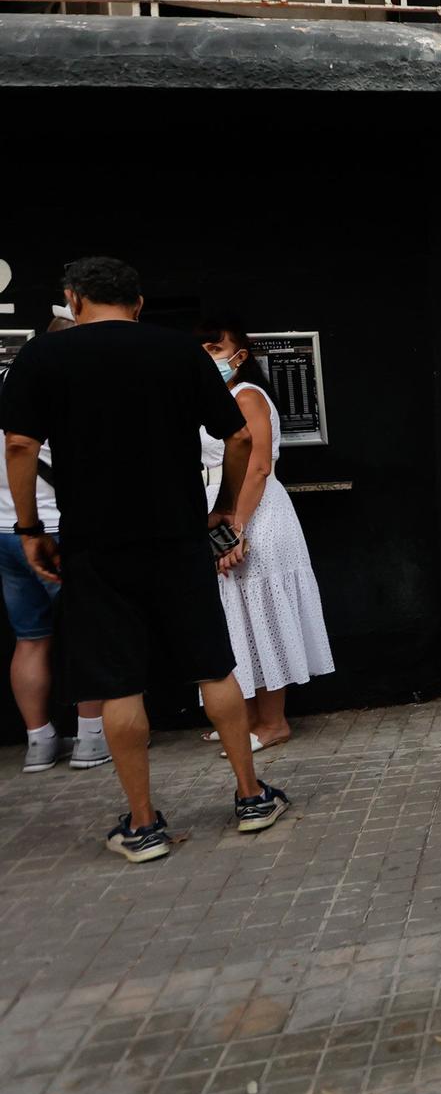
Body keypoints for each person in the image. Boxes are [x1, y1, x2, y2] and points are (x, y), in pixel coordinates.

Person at [0, 257, 287, 864]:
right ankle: (251, 795)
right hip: (178, 535)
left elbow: (21, 443)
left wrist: (29, 527)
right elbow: (238, 437)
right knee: (213, 666)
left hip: (95, 542)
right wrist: (225, 509)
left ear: (73, 299)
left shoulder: (41, 358)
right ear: (137, 303)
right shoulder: (179, 353)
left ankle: (143, 823)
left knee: (117, 681)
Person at [194, 319, 337, 751]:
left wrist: (235, 529)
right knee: (237, 619)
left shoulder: (248, 395)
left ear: (241, 356)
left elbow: (256, 467)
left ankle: (272, 722)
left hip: (255, 513)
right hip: (226, 512)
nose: (208, 356)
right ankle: (245, 717)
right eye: (202, 348)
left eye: (216, 348)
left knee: (263, 615)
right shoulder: (211, 400)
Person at [1, 315, 107, 774]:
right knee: (91, 633)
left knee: (30, 639)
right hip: (58, 529)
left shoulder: (10, 384)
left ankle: (39, 742)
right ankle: (91, 738)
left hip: (5, 531)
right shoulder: (69, 386)